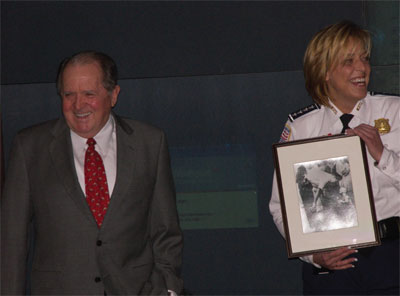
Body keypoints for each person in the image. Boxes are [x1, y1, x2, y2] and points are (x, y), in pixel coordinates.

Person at [1, 51, 184, 295]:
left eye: (89, 94)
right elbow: (11, 244)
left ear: (113, 95)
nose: (78, 105)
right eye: (69, 95)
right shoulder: (30, 148)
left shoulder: (149, 143)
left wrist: (168, 288)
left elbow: (166, 231)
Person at [269, 21, 399, 295]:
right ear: (325, 72)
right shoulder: (302, 127)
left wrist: (381, 153)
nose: (361, 68)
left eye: (364, 58)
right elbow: (281, 207)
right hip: (331, 272)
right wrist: (314, 256)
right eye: (349, 61)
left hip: (391, 258)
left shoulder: (394, 112)